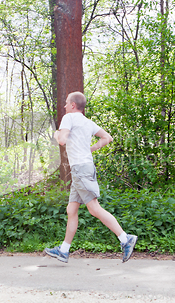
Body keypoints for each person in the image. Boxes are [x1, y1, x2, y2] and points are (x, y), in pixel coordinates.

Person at [44, 91, 137, 263]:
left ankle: (125, 239)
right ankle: (64, 251)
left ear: (73, 105)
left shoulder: (69, 118)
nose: (64, 106)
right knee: (71, 210)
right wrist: (90, 150)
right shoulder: (88, 122)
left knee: (94, 208)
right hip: (84, 167)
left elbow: (62, 140)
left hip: (80, 169)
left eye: (66, 103)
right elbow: (107, 138)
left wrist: (57, 134)